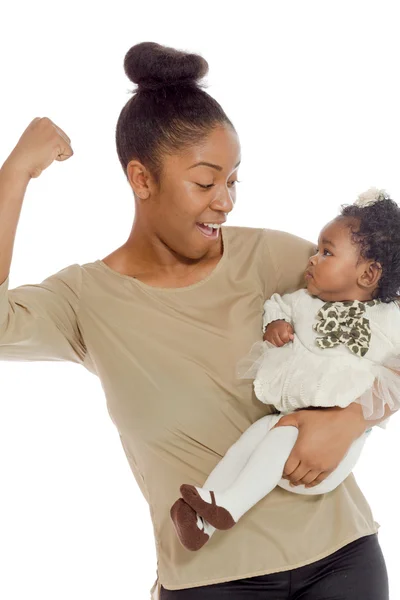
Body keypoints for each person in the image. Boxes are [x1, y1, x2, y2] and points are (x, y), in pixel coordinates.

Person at [0, 42, 392, 600]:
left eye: (233, 181)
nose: (225, 201)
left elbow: (389, 328)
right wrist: (14, 174)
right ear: (141, 179)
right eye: (206, 183)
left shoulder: (274, 260)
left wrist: (353, 417)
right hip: (210, 581)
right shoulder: (87, 299)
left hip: (342, 560)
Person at [175, 188, 400, 551]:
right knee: (251, 439)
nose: (312, 259)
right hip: (290, 415)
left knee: (278, 435)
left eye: (327, 252)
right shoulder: (304, 301)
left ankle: (231, 506)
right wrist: (275, 324)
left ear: (369, 273)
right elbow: (276, 305)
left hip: (328, 451)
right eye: (316, 249)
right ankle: (203, 514)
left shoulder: (390, 319)